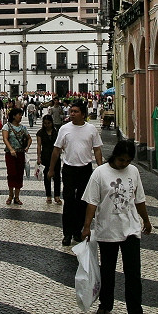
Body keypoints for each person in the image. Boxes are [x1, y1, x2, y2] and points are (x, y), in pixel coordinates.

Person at [81, 140, 153, 314]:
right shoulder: (100, 173)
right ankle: (106, 304)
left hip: (130, 228)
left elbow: (139, 199)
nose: (124, 164)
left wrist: (146, 220)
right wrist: (87, 226)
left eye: (128, 161)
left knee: (133, 273)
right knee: (108, 270)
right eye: (122, 160)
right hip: (107, 229)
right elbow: (92, 202)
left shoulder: (134, 172)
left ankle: (136, 313)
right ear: (114, 156)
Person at [48, 99, 103, 246]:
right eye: (71, 111)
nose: (72, 114)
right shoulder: (64, 129)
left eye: (75, 112)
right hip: (69, 169)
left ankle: (78, 231)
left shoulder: (91, 129)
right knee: (69, 201)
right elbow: (56, 150)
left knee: (82, 202)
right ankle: (67, 233)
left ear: (83, 114)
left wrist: (102, 168)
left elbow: (97, 149)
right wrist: (51, 169)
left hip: (85, 169)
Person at [2, 107, 32, 205]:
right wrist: (11, 149)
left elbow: (29, 138)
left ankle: (17, 196)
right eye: (19, 115)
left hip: (20, 153)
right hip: (10, 154)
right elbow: (5, 139)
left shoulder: (23, 128)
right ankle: (10, 195)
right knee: (11, 173)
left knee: (19, 174)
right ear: (14, 116)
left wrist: (27, 146)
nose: (20, 117)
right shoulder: (7, 126)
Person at [36, 114, 61, 204]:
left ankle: (57, 195)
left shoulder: (56, 132)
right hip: (45, 155)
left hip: (55, 155)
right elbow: (39, 145)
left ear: (52, 123)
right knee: (47, 176)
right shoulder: (40, 133)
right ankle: (48, 195)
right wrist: (38, 157)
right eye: (45, 123)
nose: (47, 125)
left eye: (49, 123)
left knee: (57, 176)